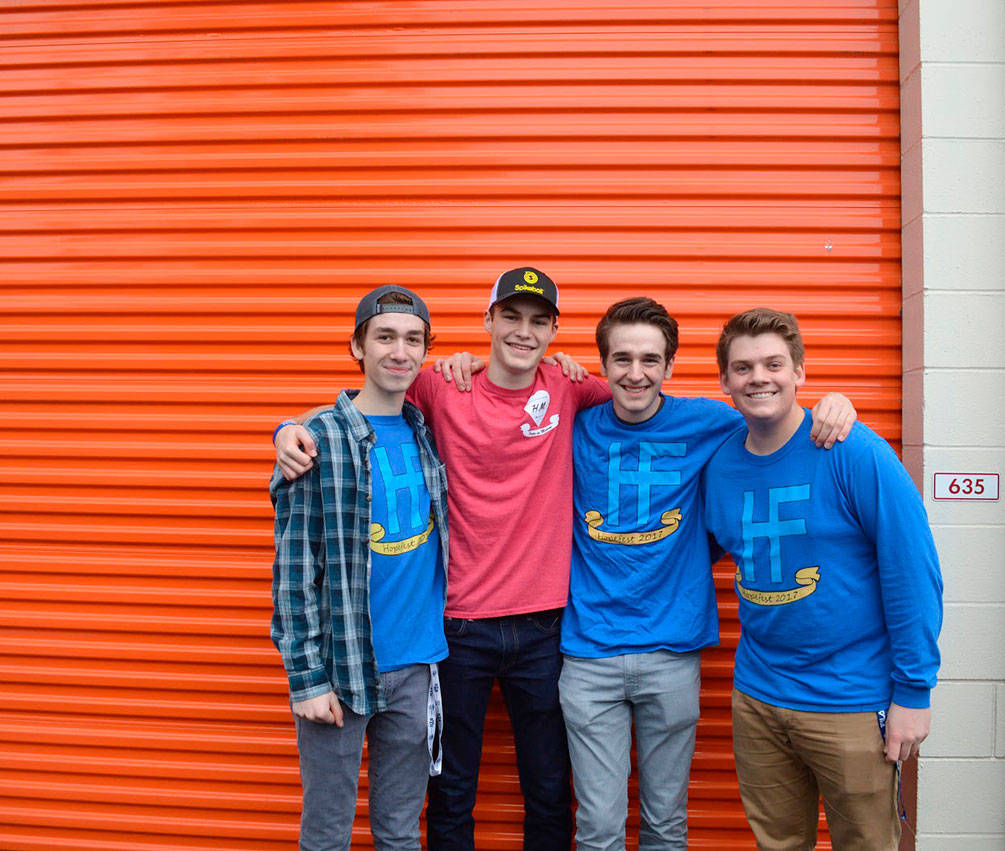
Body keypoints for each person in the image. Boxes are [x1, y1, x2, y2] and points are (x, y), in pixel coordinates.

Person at [276, 268, 608, 851]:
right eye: (511, 316)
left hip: (529, 630)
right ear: (488, 321)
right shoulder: (437, 388)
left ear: (555, 331)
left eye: (538, 321)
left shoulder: (567, 386)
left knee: (545, 788)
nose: (523, 331)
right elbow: (348, 418)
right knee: (443, 793)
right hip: (451, 632)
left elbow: (641, 399)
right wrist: (286, 430)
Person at [560, 298, 855, 851]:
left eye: (651, 359)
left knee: (666, 823)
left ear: (670, 366)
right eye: (622, 359)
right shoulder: (573, 426)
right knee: (597, 827)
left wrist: (835, 404)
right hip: (588, 653)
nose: (636, 373)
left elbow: (778, 416)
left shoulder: (711, 422)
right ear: (602, 365)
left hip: (672, 653)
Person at [702, 307, 943, 851]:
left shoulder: (854, 452)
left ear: (800, 372)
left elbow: (913, 572)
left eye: (773, 364)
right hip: (759, 697)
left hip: (850, 700)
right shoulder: (719, 466)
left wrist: (914, 690)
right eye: (743, 368)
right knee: (777, 844)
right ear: (724, 382)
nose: (759, 378)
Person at [270, 284, 449, 851]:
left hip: (417, 666)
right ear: (357, 347)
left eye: (413, 340)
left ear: (426, 352)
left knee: (400, 832)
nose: (400, 352)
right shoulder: (318, 439)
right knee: (327, 834)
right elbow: (294, 571)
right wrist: (306, 678)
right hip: (341, 668)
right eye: (385, 337)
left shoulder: (426, 431)